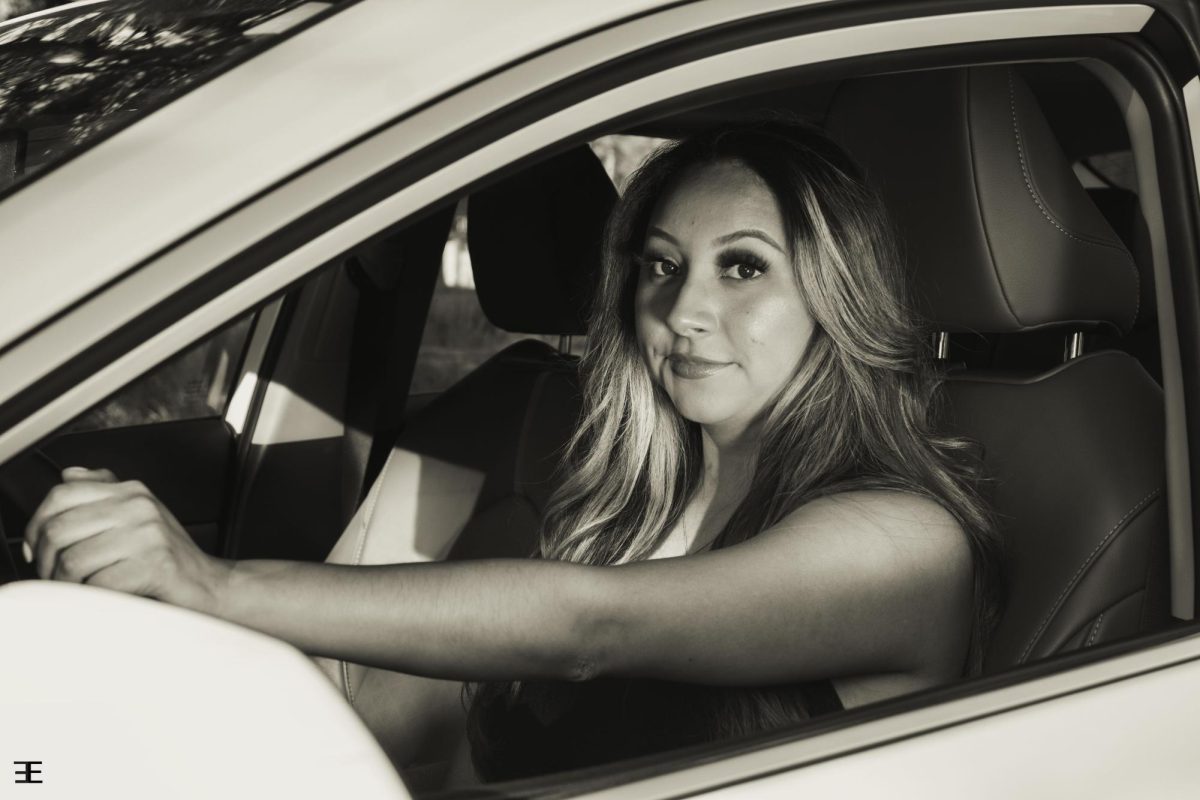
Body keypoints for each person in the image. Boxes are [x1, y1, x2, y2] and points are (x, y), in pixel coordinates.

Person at [24, 120, 1002, 782]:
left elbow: (587, 628)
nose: (682, 309)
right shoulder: (616, 489)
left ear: (838, 295)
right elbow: (402, 695)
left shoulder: (902, 543)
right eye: (660, 265)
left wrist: (213, 583)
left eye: (743, 266)